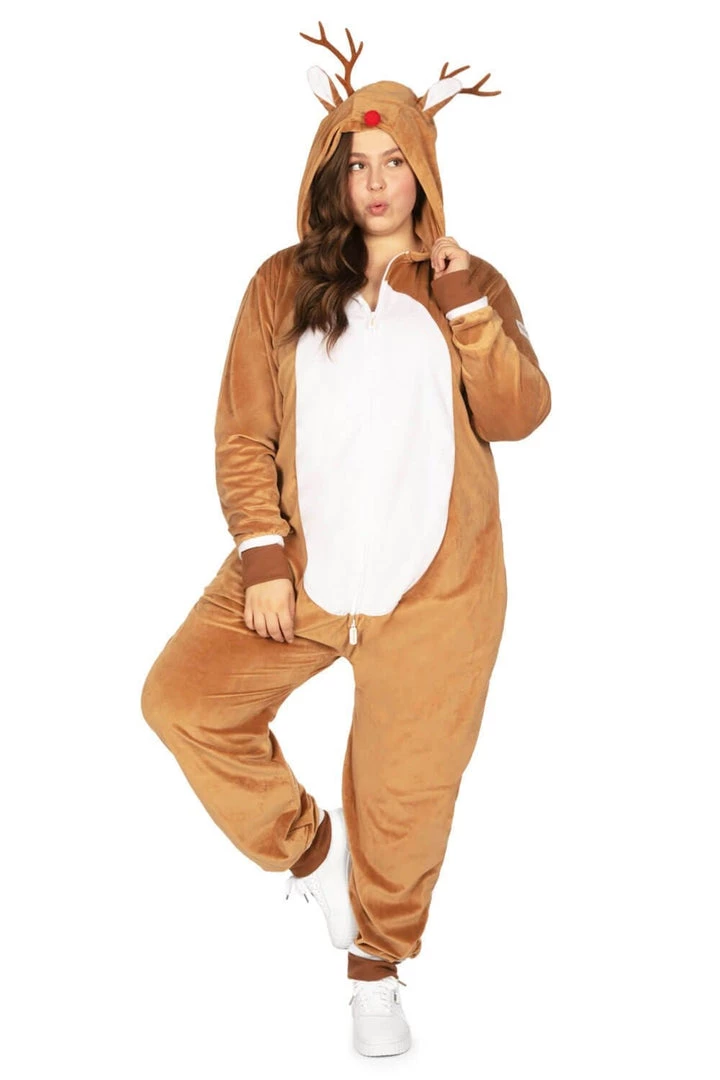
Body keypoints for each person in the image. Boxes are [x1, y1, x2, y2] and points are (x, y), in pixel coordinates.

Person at [140, 24, 552, 1058]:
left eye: (394, 162)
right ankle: (312, 854)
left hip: (436, 594)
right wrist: (263, 554)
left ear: (424, 172)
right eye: (357, 163)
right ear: (331, 172)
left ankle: (377, 973)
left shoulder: (470, 281)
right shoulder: (280, 284)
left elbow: (518, 414)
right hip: (298, 577)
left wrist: (466, 306)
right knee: (182, 701)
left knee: (406, 792)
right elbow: (244, 432)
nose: (375, 184)